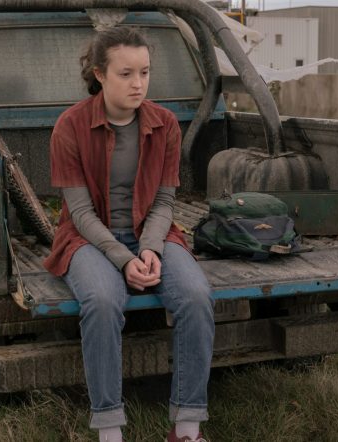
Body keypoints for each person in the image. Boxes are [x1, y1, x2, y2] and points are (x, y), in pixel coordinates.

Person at [43, 26, 215, 442]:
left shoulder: (165, 124)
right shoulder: (70, 126)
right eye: (125, 73)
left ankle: (186, 429)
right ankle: (110, 430)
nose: (138, 83)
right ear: (100, 75)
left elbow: (165, 201)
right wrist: (124, 260)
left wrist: (151, 249)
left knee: (196, 296)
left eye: (145, 72)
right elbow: (80, 213)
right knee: (102, 301)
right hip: (88, 238)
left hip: (150, 233)